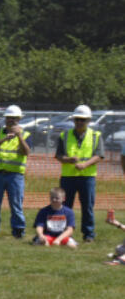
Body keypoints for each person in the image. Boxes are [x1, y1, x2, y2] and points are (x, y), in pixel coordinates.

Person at [56, 104, 102, 242]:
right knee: (65, 207)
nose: (79, 122)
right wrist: (69, 160)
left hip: (87, 177)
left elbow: (99, 155)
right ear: (73, 120)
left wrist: (85, 165)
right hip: (68, 177)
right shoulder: (64, 135)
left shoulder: (96, 135)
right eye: (77, 119)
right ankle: (65, 233)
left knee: (87, 207)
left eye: (83, 120)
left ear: (88, 121)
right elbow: (58, 156)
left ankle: (88, 235)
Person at [0, 104, 31, 238]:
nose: (11, 121)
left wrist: (19, 137)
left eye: (14, 119)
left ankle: (18, 230)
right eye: (9, 118)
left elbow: (26, 152)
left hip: (15, 176)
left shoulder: (26, 135)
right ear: (5, 119)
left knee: (16, 204)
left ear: (19, 120)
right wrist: (4, 139)